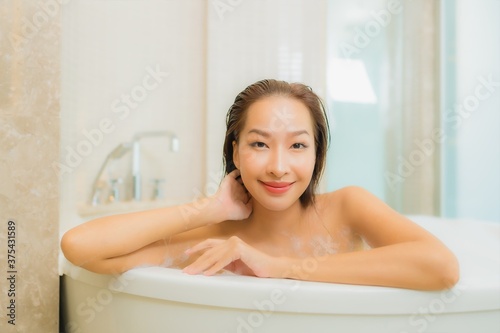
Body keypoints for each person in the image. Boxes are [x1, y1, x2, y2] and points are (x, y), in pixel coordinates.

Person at [61, 79, 459, 290]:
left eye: (298, 145)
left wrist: (280, 267)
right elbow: (80, 247)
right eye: (259, 144)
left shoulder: (347, 208)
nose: (279, 166)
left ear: (317, 155)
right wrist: (207, 210)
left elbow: (441, 267)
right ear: (235, 153)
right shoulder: (214, 239)